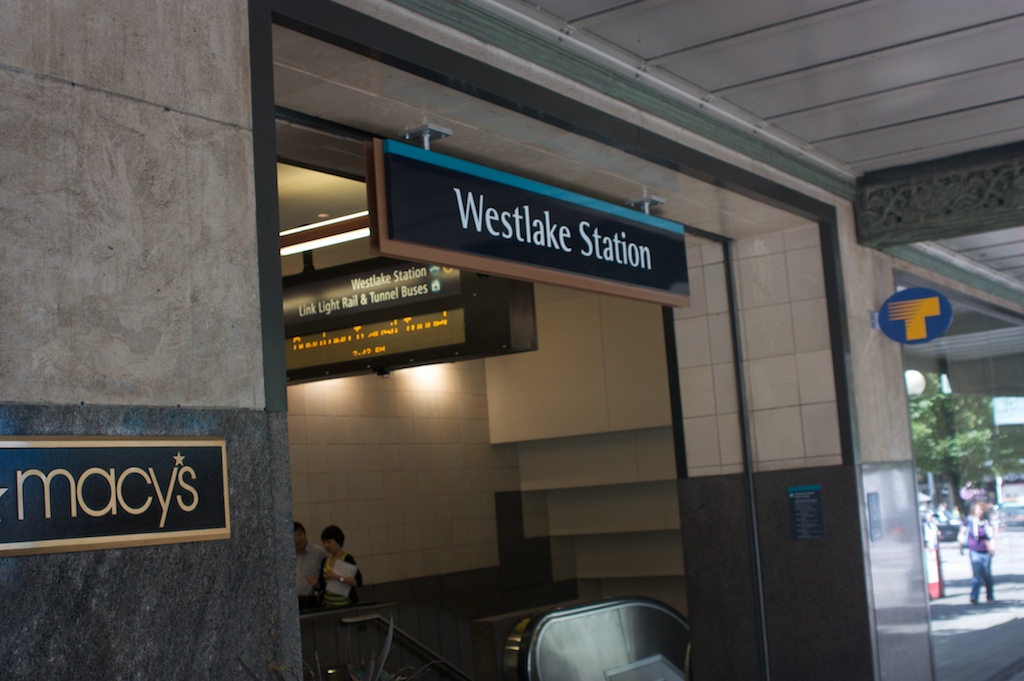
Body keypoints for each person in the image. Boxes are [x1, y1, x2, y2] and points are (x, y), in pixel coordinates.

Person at [310, 525, 362, 608]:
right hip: (327, 605)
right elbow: (322, 587)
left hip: (346, 605)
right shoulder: (325, 560)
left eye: (329, 542)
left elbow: (358, 582)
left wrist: (337, 577)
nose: (326, 546)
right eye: (324, 543)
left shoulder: (347, 559)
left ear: (338, 542)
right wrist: (315, 584)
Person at [958, 501, 996, 604]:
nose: (979, 512)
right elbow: (962, 532)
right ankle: (974, 596)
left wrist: (993, 547)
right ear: (974, 511)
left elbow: (991, 537)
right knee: (976, 573)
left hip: (986, 551)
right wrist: (960, 545)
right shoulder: (969, 521)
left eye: (981, 510)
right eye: (978, 510)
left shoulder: (987, 523)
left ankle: (990, 596)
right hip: (974, 550)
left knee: (987, 574)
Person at [294, 521, 328, 609]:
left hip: (313, 601)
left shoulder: (319, 552)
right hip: (292, 602)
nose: (297, 538)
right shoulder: (284, 556)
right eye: (293, 535)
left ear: (305, 534)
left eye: (299, 534)